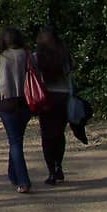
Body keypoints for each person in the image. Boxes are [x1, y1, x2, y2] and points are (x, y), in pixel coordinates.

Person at [0, 26, 33, 193]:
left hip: (7, 103)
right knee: (16, 140)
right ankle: (13, 174)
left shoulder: (0, 57)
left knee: (15, 142)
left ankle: (23, 180)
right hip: (26, 102)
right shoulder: (28, 55)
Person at [34, 26, 72, 185]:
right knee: (59, 133)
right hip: (63, 95)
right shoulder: (65, 55)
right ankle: (58, 164)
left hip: (46, 96)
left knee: (47, 134)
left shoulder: (37, 57)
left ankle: (51, 170)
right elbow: (70, 73)